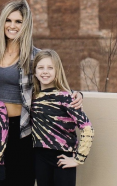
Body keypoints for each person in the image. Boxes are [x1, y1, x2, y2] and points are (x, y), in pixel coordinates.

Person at [0, 0, 83, 186]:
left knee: (21, 179)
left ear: (26, 25)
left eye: (18, 21)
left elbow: (54, 81)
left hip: (23, 129)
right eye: (9, 20)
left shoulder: (34, 56)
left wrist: (76, 94)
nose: (12, 26)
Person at [31, 49, 94, 186]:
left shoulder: (66, 97)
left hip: (62, 157)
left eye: (50, 68)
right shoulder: (32, 97)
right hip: (40, 157)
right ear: (35, 72)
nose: (45, 71)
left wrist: (78, 159)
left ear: (57, 71)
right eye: (41, 68)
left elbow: (87, 128)